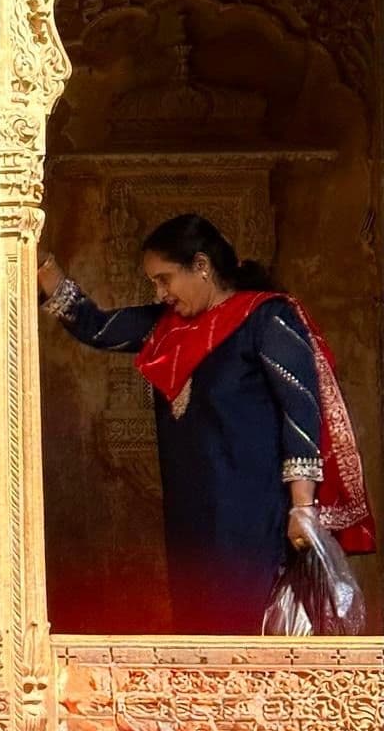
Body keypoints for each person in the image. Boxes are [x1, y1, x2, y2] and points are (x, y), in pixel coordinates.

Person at [39, 213, 374, 634]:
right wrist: (40, 261)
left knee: (249, 626)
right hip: (191, 514)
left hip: (255, 513)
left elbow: (300, 410)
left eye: (165, 279)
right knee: (198, 625)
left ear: (201, 265)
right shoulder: (167, 327)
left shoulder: (265, 318)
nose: (160, 293)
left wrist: (303, 507)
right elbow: (95, 326)